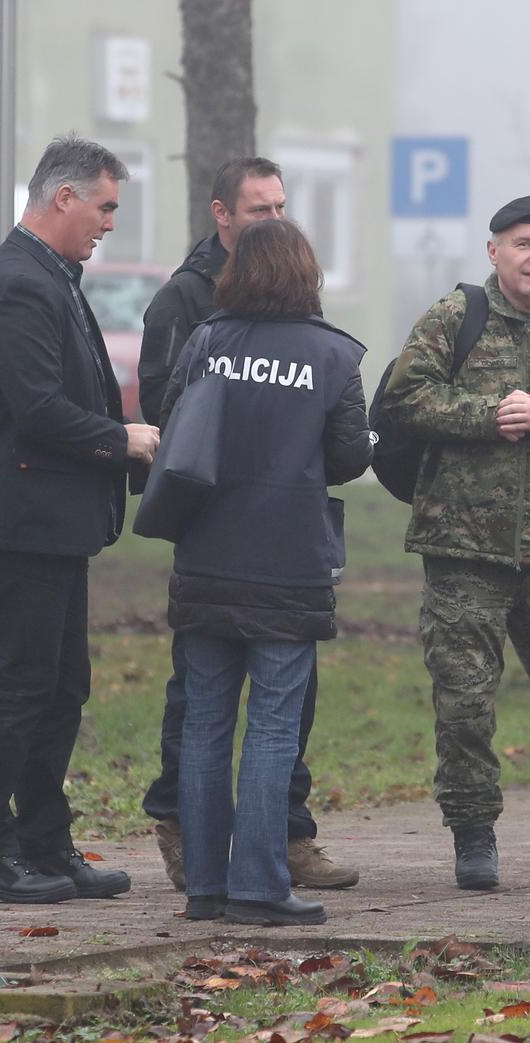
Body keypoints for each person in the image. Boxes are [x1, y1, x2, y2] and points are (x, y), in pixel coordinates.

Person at [136, 157, 359, 894]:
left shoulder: (205, 343)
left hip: (206, 556)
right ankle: (263, 884)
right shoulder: (332, 355)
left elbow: (171, 423)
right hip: (289, 563)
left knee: (203, 721)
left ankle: (204, 884)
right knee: (271, 725)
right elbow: (350, 457)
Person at [381, 194, 530, 891]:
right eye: (523, 244)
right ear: (494, 252)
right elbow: (400, 399)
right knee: (465, 703)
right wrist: (487, 416)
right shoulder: (455, 320)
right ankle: (473, 835)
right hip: (462, 552)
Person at [0, 136, 159, 904]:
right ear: (64, 198)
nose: (110, 223)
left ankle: (44, 845)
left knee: (61, 689)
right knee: (22, 688)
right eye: (106, 206)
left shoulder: (54, 273)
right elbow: (38, 406)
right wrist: (119, 439)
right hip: (25, 521)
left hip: (57, 524)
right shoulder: (21, 280)